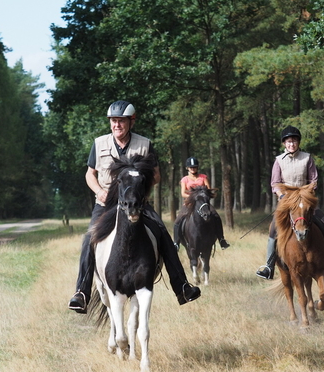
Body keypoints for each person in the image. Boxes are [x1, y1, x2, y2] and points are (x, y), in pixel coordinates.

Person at [67, 100, 201, 313]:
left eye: (121, 121)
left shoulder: (144, 144)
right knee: (89, 238)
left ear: (131, 121)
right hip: (106, 205)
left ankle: (182, 286)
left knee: (162, 233)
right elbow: (89, 174)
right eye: (113, 121)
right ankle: (82, 292)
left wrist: (140, 187)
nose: (117, 125)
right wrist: (99, 191)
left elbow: (156, 175)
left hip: (138, 203)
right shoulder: (99, 143)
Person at [256, 125, 324, 279]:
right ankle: (269, 266)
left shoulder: (307, 158)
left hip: (304, 199)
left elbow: (314, 180)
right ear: (284, 143)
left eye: (294, 141)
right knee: (273, 229)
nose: (292, 144)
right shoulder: (279, 161)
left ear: (298, 142)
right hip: (287, 201)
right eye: (289, 141)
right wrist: (282, 195)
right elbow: (275, 183)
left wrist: (307, 193)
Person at [173, 156, 230, 251]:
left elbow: (208, 189)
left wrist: (202, 197)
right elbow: (183, 193)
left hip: (203, 202)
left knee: (215, 216)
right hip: (190, 203)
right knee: (178, 220)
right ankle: (176, 243)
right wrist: (193, 197)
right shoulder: (184, 179)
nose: (193, 169)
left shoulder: (203, 177)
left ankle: (221, 239)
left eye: (194, 167)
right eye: (191, 167)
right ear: (187, 168)